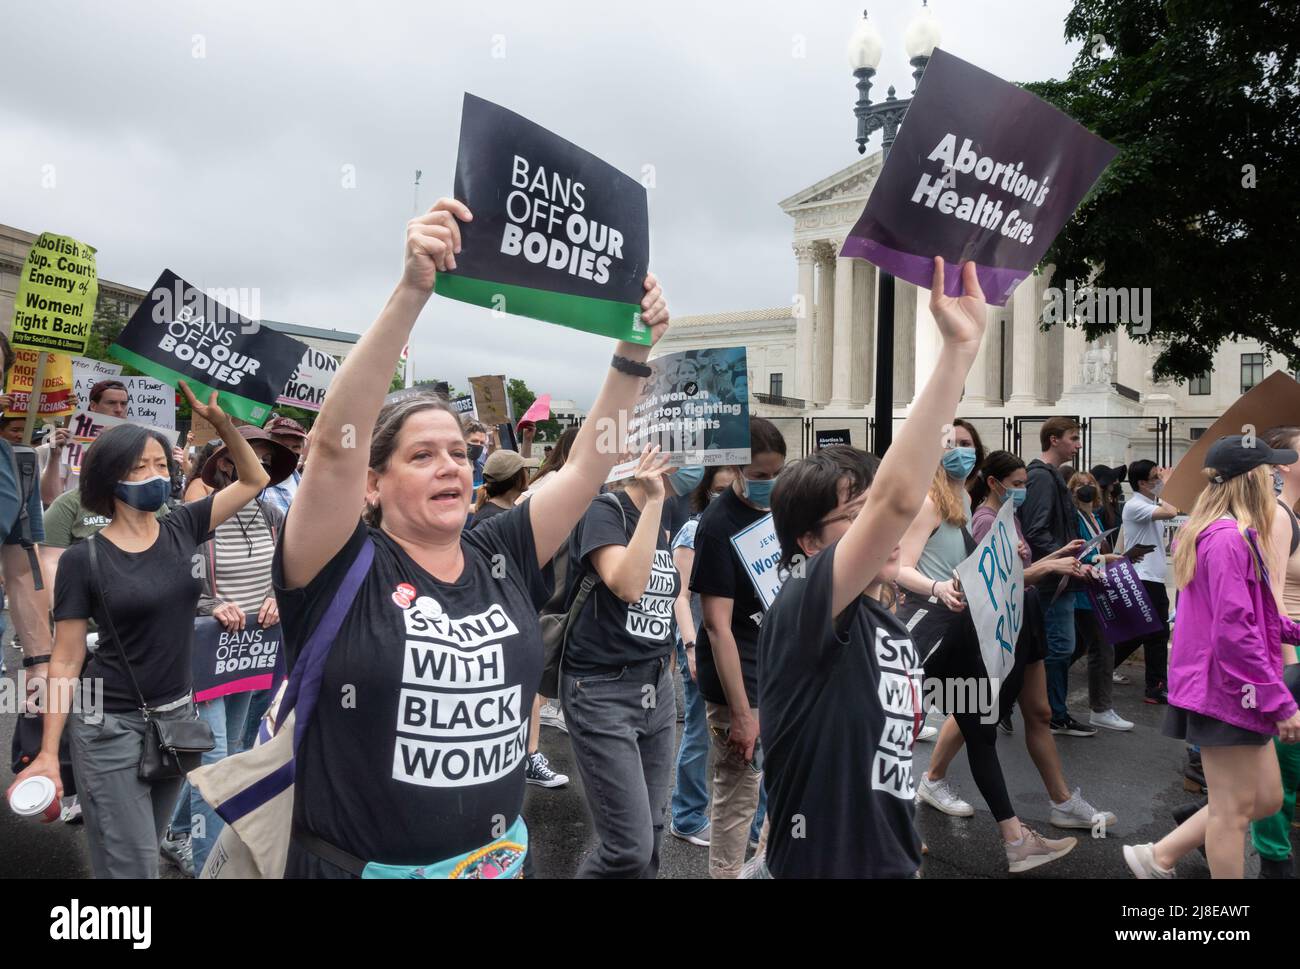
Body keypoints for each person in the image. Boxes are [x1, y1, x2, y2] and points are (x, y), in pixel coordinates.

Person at [272, 198, 669, 878]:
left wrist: (634, 347)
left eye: (458, 452)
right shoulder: (340, 564)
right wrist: (411, 291)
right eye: (422, 455)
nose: (451, 465)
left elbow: (586, 465)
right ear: (372, 484)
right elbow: (335, 447)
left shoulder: (501, 549)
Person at [7, 381, 270, 878]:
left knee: (137, 853)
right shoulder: (85, 560)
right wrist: (46, 753)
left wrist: (222, 424)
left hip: (175, 724)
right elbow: (64, 660)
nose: (155, 475)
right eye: (138, 467)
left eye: (159, 465)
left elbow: (254, 478)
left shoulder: (184, 525)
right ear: (110, 480)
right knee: (134, 867)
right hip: (109, 729)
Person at [912, 448, 1111, 868]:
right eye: (951, 446)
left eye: (968, 447)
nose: (960, 456)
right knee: (893, 737)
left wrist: (1050, 562)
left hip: (963, 636)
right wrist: (937, 588)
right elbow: (898, 567)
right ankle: (889, 830)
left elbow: (991, 577)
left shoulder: (962, 506)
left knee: (979, 733)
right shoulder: (927, 505)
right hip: (931, 640)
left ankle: (1013, 838)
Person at [1124, 434, 1300, 879]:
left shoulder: (1230, 532)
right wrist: (1279, 700)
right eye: (1269, 472)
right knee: (1233, 812)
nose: (1275, 480)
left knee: (1265, 800)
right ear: (1253, 480)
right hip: (1224, 690)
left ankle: (1158, 856)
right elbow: (1234, 632)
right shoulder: (1227, 538)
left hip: (1228, 688)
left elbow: (1253, 616)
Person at [162, 424, 297, 877]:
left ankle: (177, 829)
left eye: (266, 461)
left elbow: (284, 571)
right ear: (225, 462)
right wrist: (213, 604)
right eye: (251, 456)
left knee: (236, 751)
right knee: (215, 756)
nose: (263, 467)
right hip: (204, 651)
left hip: (253, 650)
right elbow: (175, 583)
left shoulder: (273, 516)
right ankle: (208, 864)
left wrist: (277, 596)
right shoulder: (196, 516)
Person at [559, 446, 677, 877]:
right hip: (602, 688)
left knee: (652, 833)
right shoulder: (603, 511)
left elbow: (664, 597)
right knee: (628, 846)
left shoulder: (663, 510)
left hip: (655, 686)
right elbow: (628, 585)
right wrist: (655, 502)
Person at [689, 416, 786, 878]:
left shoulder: (774, 512)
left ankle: (764, 865)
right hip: (737, 684)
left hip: (775, 673)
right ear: (738, 469)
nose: (771, 484)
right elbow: (716, 627)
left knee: (782, 782)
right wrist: (742, 714)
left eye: (778, 474)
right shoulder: (717, 525)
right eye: (762, 475)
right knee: (738, 790)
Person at [474, 447, 568, 788]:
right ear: (519, 479)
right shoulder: (500, 524)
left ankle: (524, 755)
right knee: (526, 690)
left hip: (509, 616)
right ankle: (527, 757)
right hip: (509, 619)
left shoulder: (486, 515)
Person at [667, 466, 736, 847]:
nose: (724, 496)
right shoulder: (693, 531)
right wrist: (691, 646)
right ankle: (688, 815)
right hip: (700, 643)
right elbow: (680, 596)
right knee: (699, 732)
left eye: (732, 488)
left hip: (732, 644)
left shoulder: (746, 527)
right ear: (705, 490)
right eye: (718, 489)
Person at [1021, 416, 1096, 736]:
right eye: (1073, 437)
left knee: (1061, 645)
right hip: (1052, 580)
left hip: (1058, 577)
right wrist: (1066, 559)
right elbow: (1036, 530)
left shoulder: (1047, 476)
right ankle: (1051, 712)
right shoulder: (1040, 477)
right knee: (1059, 646)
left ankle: (1040, 708)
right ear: (1054, 440)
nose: (1078, 444)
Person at [1251, 426, 1300, 878]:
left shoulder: (1292, 513)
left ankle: (1201, 821)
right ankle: (1273, 857)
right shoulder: (1279, 516)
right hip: (1292, 654)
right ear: (1283, 464)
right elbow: (1271, 598)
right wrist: (1288, 667)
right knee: (1282, 770)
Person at [1067, 469, 1134, 730]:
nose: (1087, 488)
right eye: (1081, 484)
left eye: (1090, 484)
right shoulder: (1074, 517)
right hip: (1083, 591)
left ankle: (1036, 697)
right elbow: (1078, 554)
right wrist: (1102, 559)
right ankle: (1101, 709)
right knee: (1102, 649)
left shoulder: (1094, 516)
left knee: (1077, 649)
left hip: (1095, 589)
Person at [1113, 459, 1178, 703]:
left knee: (1140, 633)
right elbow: (1172, 511)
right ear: (1141, 483)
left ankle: (1103, 663)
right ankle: (1156, 687)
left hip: (1150, 578)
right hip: (1144, 578)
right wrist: (1170, 486)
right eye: (1155, 477)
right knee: (1158, 634)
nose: (1159, 481)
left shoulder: (1147, 503)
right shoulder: (1135, 505)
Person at [40, 379, 130, 503]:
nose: (119, 409)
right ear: (93, 406)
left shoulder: (138, 443)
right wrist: (54, 458)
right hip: (77, 517)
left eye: (123, 404)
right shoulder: (67, 442)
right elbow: (49, 498)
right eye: (111, 403)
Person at [260, 415, 308, 515]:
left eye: (295, 447)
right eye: (283, 446)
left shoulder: (307, 487)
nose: (289, 452)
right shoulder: (256, 485)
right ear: (267, 445)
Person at [470, 449, 529, 527]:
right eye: (525, 469)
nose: (528, 473)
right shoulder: (489, 519)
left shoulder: (508, 509)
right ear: (516, 478)